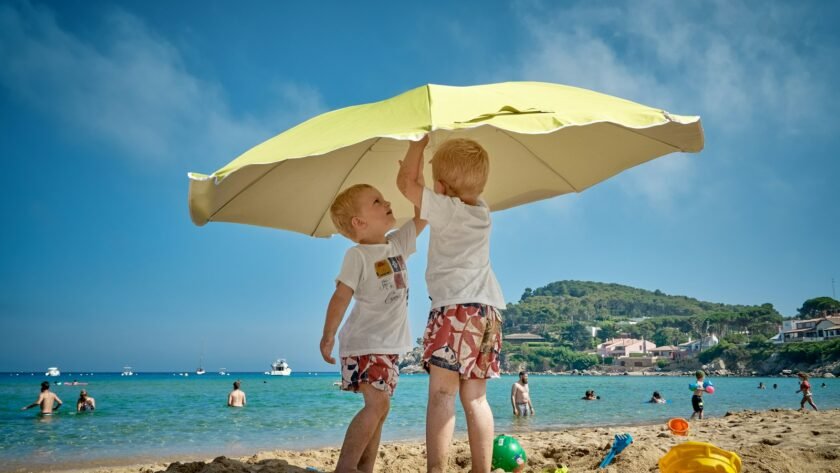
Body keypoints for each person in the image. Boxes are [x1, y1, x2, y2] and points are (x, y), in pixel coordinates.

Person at [397, 136, 505, 473]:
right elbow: (423, 192)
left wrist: (417, 145)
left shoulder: (445, 209)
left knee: (443, 395)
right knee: (476, 398)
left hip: (453, 312)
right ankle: (481, 470)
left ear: (441, 187)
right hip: (487, 313)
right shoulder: (483, 212)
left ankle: (436, 470)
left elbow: (406, 183)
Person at [320, 182, 425, 473]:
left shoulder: (397, 244)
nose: (387, 202)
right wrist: (328, 334)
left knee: (382, 407)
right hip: (366, 342)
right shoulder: (357, 256)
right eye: (377, 201)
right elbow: (341, 296)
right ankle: (345, 467)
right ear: (359, 222)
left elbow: (423, 215)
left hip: (389, 346)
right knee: (377, 404)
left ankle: (365, 468)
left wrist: (416, 182)